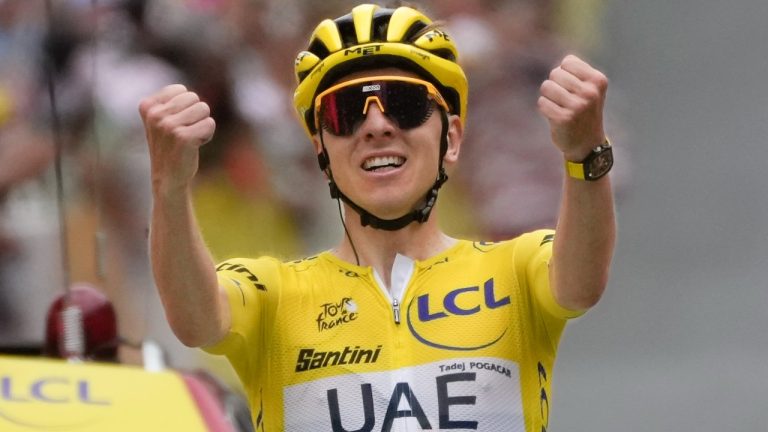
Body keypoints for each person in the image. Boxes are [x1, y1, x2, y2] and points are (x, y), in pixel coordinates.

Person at [139, 3, 615, 431]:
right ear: (321, 149)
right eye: (346, 111)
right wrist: (169, 186)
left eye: (404, 104)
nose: (377, 125)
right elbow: (196, 320)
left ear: (451, 138)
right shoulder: (273, 297)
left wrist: (586, 154)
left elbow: (581, 283)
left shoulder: (515, 270)